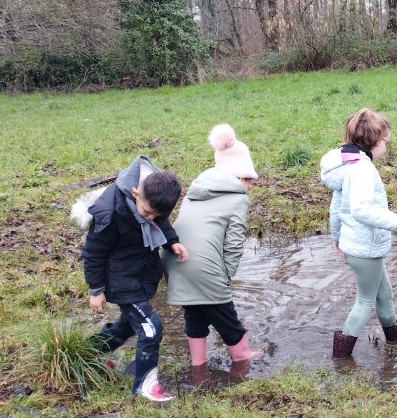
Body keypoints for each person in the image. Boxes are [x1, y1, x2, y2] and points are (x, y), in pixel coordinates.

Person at [76, 156, 188, 402]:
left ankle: (85, 354)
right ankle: (145, 385)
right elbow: (93, 253)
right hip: (119, 280)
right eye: (147, 212)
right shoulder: (110, 214)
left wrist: (172, 242)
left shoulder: (153, 202)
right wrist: (96, 290)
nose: (150, 217)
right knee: (151, 329)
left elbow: (160, 221)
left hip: (140, 274)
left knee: (128, 325)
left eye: (155, 214)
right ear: (135, 192)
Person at [163, 124, 263, 371]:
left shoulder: (196, 190)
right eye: (249, 180)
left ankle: (199, 365)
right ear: (242, 176)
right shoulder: (238, 197)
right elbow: (234, 242)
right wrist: (225, 276)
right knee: (225, 315)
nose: (249, 185)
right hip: (204, 265)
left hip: (174, 258)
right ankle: (243, 358)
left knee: (195, 311)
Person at [319, 108, 397, 359]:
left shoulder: (350, 164)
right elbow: (361, 209)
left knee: (384, 295)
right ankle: (340, 358)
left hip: (358, 245)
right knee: (364, 302)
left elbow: (337, 205)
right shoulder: (362, 168)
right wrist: (396, 222)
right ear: (374, 140)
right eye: (385, 141)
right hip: (364, 248)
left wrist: (336, 236)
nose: (386, 146)